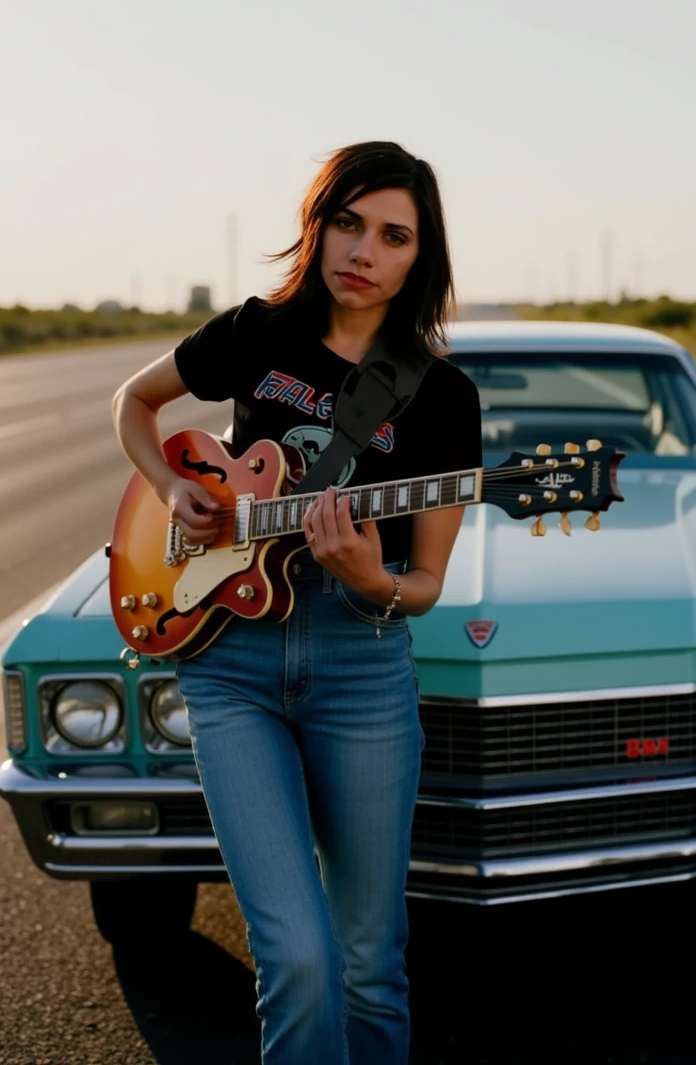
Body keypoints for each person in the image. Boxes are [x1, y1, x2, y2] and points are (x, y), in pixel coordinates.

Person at [111, 140, 482, 1064]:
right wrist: (172, 486)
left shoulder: (442, 397)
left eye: (393, 235)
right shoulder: (257, 334)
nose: (364, 251)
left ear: (419, 257)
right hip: (229, 662)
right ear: (317, 229)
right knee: (299, 959)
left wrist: (373, 580)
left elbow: (426, 584)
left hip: (361, 662)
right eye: (347, 223)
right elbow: (133, 402)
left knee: (367, 962)